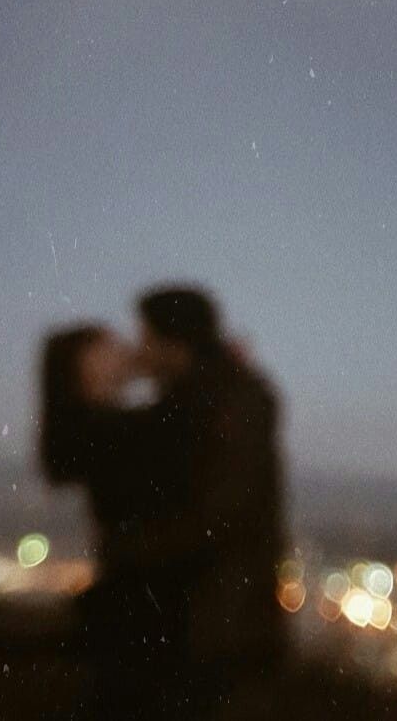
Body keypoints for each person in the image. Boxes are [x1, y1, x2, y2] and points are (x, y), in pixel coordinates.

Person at [39, 287, 286, 717]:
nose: (137, 349)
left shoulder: (211, 404)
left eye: (146, 338)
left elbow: (221, 515)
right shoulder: (197, 403)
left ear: (173, 342)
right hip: (187, 627)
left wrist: (127, 549)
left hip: (211, 628)